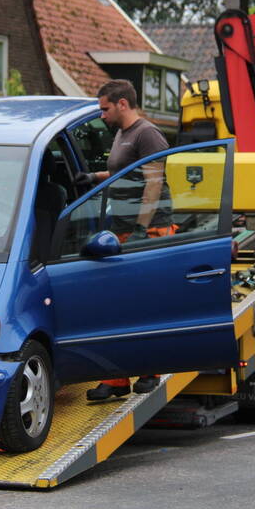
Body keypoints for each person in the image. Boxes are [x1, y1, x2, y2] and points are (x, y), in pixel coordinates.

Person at [76, 79, 173, 401]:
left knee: (144, 306)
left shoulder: (147, 134)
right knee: (117, 307)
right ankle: (117, 380)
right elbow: (123, 171)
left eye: (104, 108)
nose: (101, 115)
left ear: (122, 104)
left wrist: (143, 230)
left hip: (149, 231)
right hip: (121, 230)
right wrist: (93, 177)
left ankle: (150, 370)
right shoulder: (121, 134)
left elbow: (153, 183)